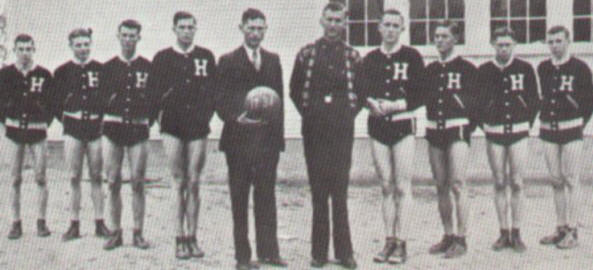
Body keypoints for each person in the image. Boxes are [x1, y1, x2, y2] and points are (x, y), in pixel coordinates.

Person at [289, 2, 361, 268]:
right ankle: (318, 253)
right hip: (314, 131)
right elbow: (295, 90)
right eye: (329, 20)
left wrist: (343, 116)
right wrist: (313, 114)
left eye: (338, 20)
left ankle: (344, 252)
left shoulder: (352, 56)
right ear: (322, 21)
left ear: (344, 23)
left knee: (340, 192)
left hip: (342, 131)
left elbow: (360, 94)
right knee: (319, 192)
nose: (333, 25)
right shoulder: (307, 54)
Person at [216, 8, 286, 270]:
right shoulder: (228, 60)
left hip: (267, 141)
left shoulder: (273, 60)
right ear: (242, 28)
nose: (256, 33)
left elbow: (278, 100)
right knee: (240, 198)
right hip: (238, 140)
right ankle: (243, 257)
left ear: (265, 30)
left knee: (266, 196)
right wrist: (235, 118)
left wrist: (279, 140)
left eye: (260, 28)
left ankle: (269, 252)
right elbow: (219, 98)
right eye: (251, 28)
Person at [358, 9, 424, 264]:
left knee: (402, 184)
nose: (390, 30)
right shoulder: (370, 58)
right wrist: (371, 103)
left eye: (395, 25)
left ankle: (402, 242)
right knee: (385, 185)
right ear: (379, 27)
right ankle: (388, 240)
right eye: (386, 24)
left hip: (402, 124)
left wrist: (399, 105)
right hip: (378, 125)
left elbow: (421, 91)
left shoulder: (411, 56)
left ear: (402, 28)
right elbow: (361, 88)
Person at [149, 11, 216, 259]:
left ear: (195, 29)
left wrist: (205, 115)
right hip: (173, 126)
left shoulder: (205, 56)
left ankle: (193, 235)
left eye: (190, 27)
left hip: (197, 125)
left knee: (195, 181)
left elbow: (213, 91)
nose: (187, 31)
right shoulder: (163, 58)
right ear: (174, 29)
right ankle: (179, 237)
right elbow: (153, 93)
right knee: (178, 181)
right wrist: (160, 119)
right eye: (182, 27)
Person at [477, 27, 539, 253]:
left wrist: (526, 122)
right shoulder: (484, 70)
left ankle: (517, 231)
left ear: (514, 45)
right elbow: (476, 100)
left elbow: (534, 99)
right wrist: (485, 122)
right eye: (500, 44)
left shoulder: (524, 68)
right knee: (499, 181)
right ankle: (503, 232)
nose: (503, 48)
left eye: (508, 44)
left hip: (519, 131)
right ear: (493, 44)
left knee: (517, 182)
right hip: (494, 131)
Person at [423, 20, 479, 259]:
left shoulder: (467, 68)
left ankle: (462, 238)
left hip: (458, 129)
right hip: (435, 129)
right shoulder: (430, 70)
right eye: (436, 36)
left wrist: (467, 127)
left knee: (458, 183)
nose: (439, 40)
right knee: (441, 184)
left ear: (455, 38)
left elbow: (476, 104)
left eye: (445, 36)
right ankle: (447, 234)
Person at [537, 25, 593, 249]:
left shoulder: (580, 67)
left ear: (567, 41)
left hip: (571, 129)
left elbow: (589, 100)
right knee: (556, 180)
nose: (554, 46)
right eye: (550, 42)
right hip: (549, 129)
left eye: (558, 41)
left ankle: (573, 229)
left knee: (571, 179)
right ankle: (560, 227)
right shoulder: (543, 67)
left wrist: (578, 122)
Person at [53, 28, 111, 241]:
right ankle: (74, 223)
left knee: (97, 176)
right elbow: (54, 102)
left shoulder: (101, 70)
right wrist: (69, 118)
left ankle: (100, 222)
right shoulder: (62, 72)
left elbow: (107, 98)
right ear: (71, 46)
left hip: (95, 128)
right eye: (78, 45)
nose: (83, 49)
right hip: (73, 129)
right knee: (74, 176)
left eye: (86, 44)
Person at [102, 19, 152, 250]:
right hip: (113, 129)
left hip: (138, 129)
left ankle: (138, 232)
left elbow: (154, 99)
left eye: (133, 35)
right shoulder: (108, 67)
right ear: (118, 36)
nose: (129, 39)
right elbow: (100, 100)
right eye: (125, 35)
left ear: (139, 38)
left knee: (138, 182)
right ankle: (115, 231)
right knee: (113, 182)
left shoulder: (147, 66)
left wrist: (146, 119)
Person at [1, 34, 53, 239]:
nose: (25, 53)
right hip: (14, 132)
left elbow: (53, 101)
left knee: (40, 177)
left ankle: (41, 222)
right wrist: (6, 120)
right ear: (14, 50)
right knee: (15, 178)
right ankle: (16, 223)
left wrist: (43, 120)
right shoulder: (4, 74)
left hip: (37, 132)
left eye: (28, 49)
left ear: (34, 50)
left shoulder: (44, 74)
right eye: (21, 49)